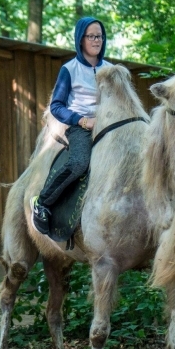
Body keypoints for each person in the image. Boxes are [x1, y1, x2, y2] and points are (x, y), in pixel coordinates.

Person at [30, 17, 112, 234]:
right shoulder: (69, 69)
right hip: (81, 126)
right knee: (78, 163)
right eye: (91, 36)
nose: (97, 40)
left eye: (100, 36)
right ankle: (43, 202)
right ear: (80, 39)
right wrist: (82, 120)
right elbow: (57, 106)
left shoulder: (111, 70)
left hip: (111, 124)